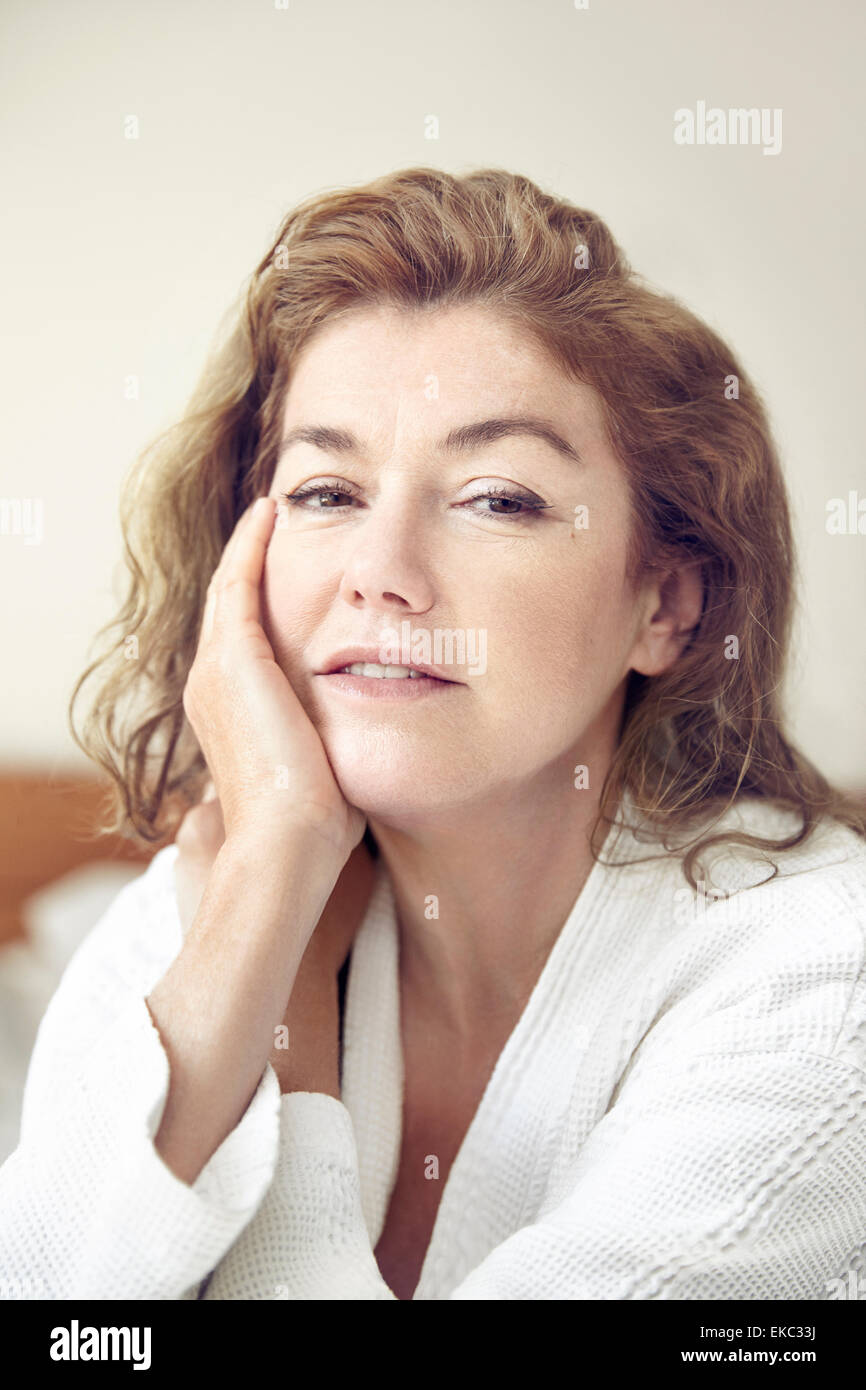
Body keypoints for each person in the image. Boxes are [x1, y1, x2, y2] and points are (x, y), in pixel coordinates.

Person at [1, 167, 864, 1301]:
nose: (380, 575)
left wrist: (297, 1069)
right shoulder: (209, 899)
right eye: (323, 493)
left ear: (664, 604)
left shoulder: (818, 979)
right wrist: (269, 886)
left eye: (497, 497)